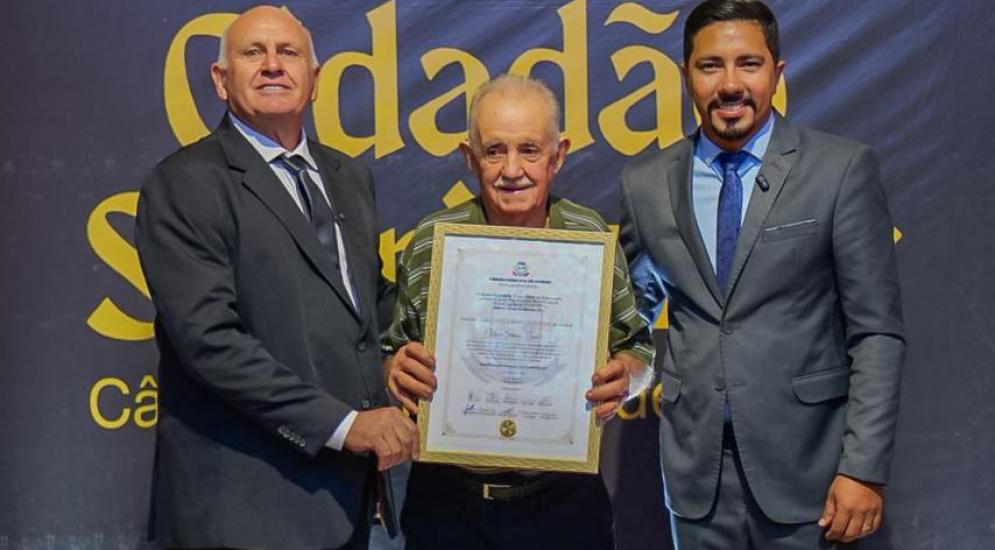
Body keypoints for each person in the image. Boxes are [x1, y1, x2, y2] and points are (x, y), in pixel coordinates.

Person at [619, 1, 905, 548]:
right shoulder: (645, 183)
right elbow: (627, 314)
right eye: (710, 66)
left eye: (748, 64)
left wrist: (863, 467)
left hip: (813, 477)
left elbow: (876, 333)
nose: (730, 84)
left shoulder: (840, 170)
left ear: (777, 72)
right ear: (685, 74)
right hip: (695, 483)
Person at [135, 6, 417, 549]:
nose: (272, 65)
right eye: (252, 53)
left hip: (343, 502)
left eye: (288, 52)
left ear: (315, 79)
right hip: (243, 512)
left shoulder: (349, 176)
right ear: (221, 79)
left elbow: (365, 305)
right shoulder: (185, 183)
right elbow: (210, 343)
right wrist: (344, 425)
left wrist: (408, 351)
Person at [380, 74, 655, 549]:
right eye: (494, 151)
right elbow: (391, 352)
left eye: (529, 149)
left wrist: (627, 377)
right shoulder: (433, 240)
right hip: (449, 504)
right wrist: (395, 369)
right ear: (470, 157)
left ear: (558, 155)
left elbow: (639, 350)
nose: (512, 169)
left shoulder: (589, 237)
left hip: (564, 502)